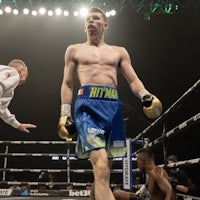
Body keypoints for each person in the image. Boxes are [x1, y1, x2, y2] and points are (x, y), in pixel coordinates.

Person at [58, 7, 163, 200]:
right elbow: (67, 83)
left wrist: (145, 95)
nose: (91, 21)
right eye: (88, 19)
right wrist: (65, 113)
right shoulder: (74, 50)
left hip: (112, 108)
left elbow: (133, 80)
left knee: (104, 170)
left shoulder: (119, 51)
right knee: (100, 167)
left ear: (105, 25)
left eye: (96, 18)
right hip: (87, 107)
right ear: (84, 26)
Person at [0, 59, 36, 133]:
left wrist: (18, 125)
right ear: (21, 70)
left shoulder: (9, 91)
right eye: (26, 76)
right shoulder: (14, 73)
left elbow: (2, 110)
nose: (25, 80)